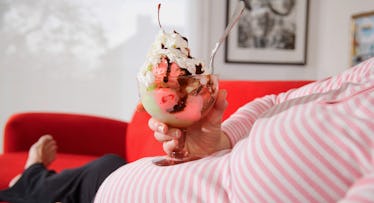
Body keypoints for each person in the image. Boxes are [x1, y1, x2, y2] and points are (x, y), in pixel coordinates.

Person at [1, 58, 374, 202]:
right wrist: (221, 139)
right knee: (106, 166)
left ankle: (30, 179)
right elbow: (275, 101)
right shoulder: (367, 73)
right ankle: (33, 180)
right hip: (116, 181)